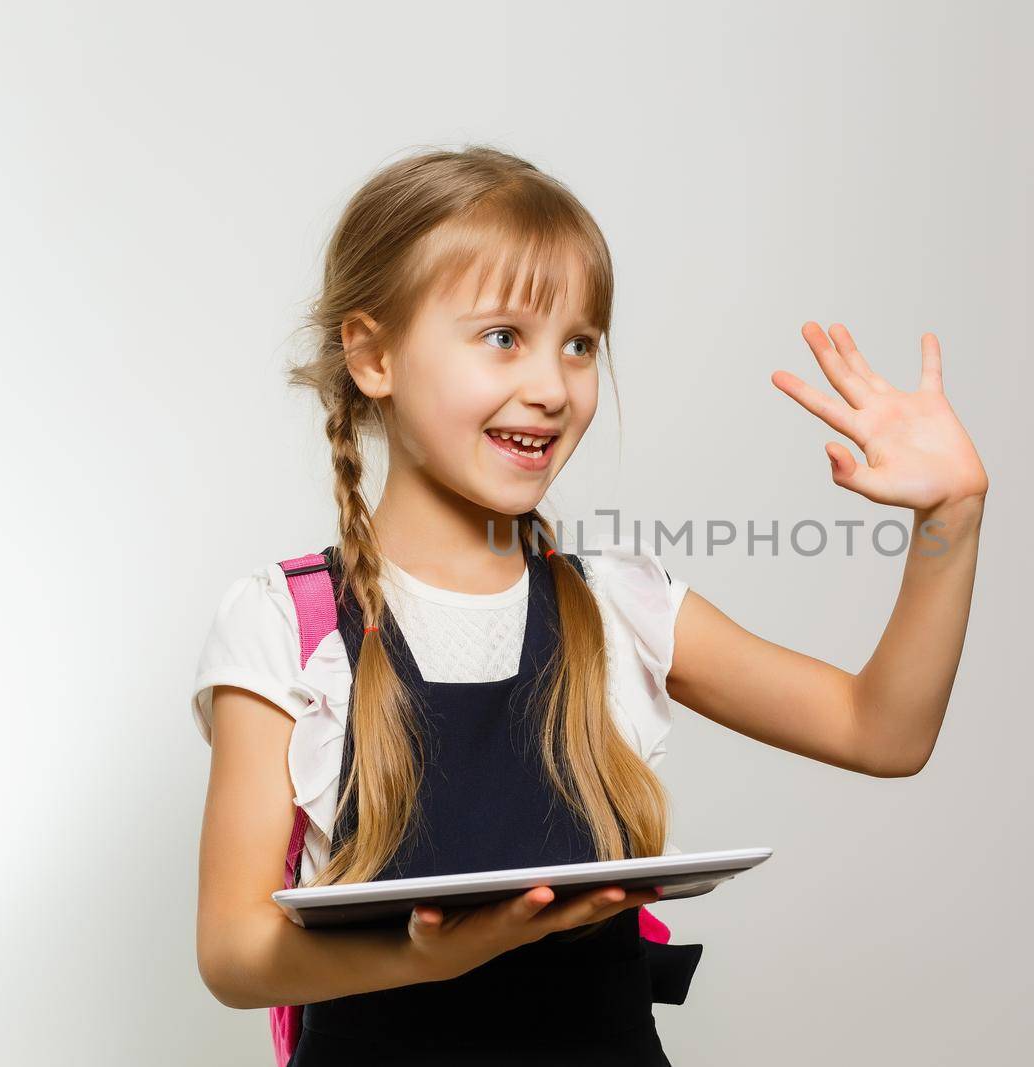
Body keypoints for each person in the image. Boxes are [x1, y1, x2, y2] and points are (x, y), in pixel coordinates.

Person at [190, 144, 989, 1065]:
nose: (553, 386)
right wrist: (414, 955)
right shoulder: (285, 623)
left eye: (579, 343)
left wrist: (950, 518)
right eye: (503, 337)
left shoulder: (619, 605)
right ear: (373, 355)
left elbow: (881, 730)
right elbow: (233, 953)